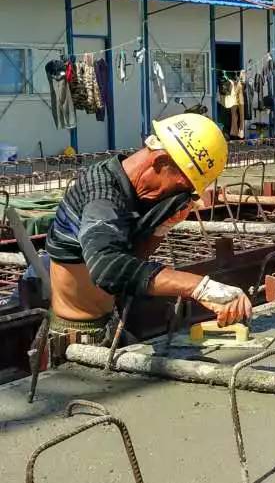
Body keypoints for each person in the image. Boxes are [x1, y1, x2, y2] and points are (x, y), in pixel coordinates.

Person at [43, 113, 251, 359]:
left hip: (106, 326)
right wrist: (200, 287)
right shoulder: (103, 197)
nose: (175, 198)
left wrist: (159, 229)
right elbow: (108, 269)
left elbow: (131, 261)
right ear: (161, 161)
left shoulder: (129, 190)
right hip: (75, 336)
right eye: (179, 188)